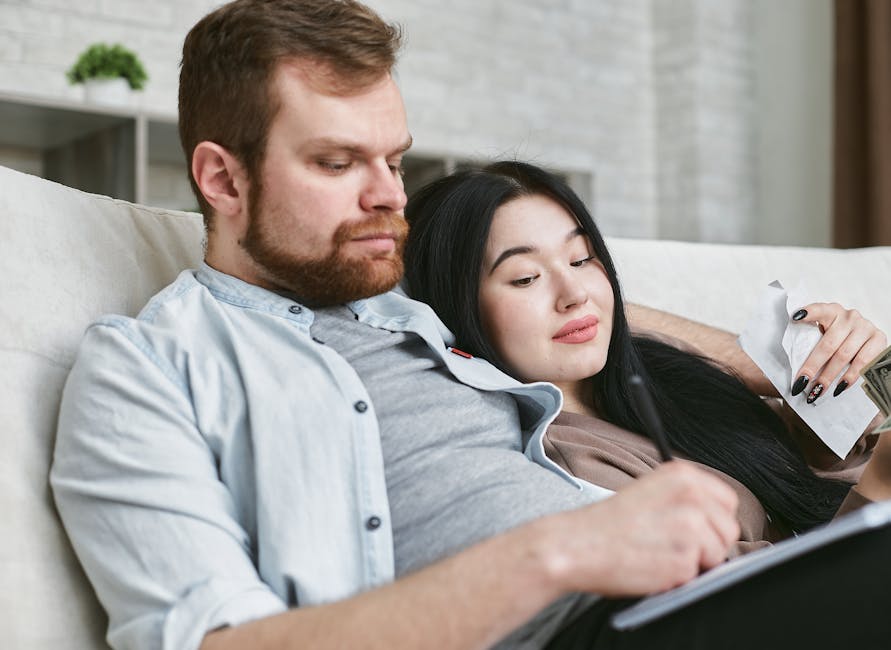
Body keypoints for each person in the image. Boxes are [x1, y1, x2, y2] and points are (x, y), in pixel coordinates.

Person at [49, 2, 891, 650]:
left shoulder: (413, 296)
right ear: (222, 181)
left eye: (395, 159)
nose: (386, 195)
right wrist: (560, 550)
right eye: (338, 163)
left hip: (686, 601)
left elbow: (587, 307)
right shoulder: (148, 366)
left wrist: (773, 362)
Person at [402, 160, 891, 554]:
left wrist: (827, 413)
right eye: (526, 277)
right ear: (456, 307)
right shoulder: (564, 465)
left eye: (582, 259)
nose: (576, 294)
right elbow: (759, 610)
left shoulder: (660, 363)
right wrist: (880, 483)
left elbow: (807, 489)